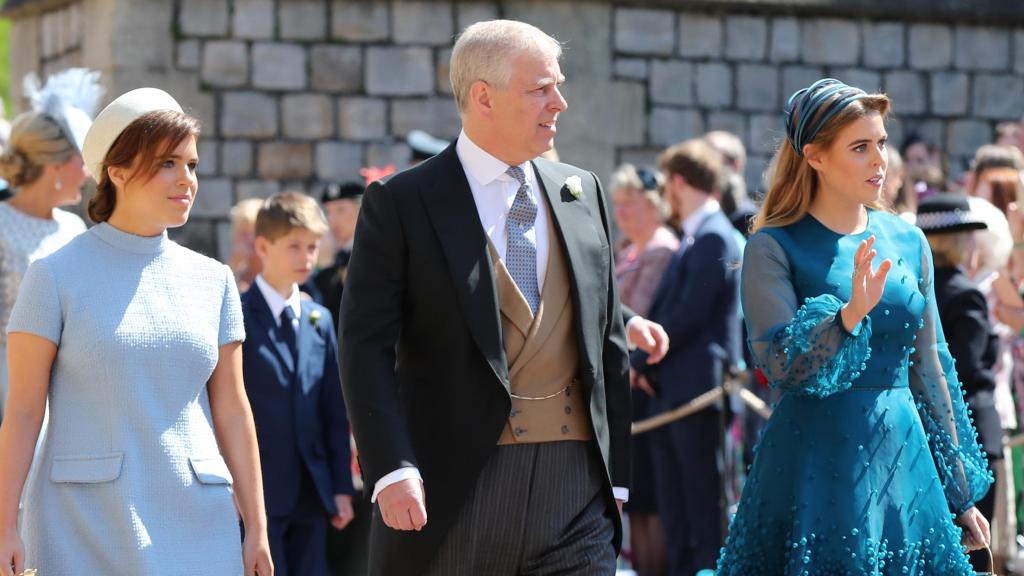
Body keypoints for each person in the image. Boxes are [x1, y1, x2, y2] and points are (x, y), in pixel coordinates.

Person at [340, 19, 632, 576]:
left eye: (558, 84)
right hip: (456, 486)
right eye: (540, 88)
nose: (560, 103)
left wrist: (616, 480)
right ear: (483, 97)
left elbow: (606, 340)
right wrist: (391, 467)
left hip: (577, 487)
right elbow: (363, 345)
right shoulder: (401, 202)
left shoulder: (581, 191)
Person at [716, 79, 992, 574]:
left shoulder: (909, 240)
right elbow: (782, 365)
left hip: (907, 465)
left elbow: (931, 368)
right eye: (860, 147)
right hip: (815, 464)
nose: (879, 160)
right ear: (815, 156)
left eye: (882, 143)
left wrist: (960, 493)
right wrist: (847, 316)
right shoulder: (772, 246)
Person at [0, 88, 272, 576]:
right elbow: (22, 412)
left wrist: (257, 527)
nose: (186, 180)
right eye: (167, 163)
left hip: (199, 520)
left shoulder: (214, 281)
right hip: (82, 523)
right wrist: (4, 527)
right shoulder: (54, 276)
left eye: (191, 164)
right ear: (116, 170)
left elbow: (233, 407)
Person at [631, 139, 740, 575]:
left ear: (678, 182)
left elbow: (688, 316)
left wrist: (638, 362)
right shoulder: (697, 235)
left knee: (701, 509)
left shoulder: (713, 235)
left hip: (698, 391)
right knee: (676, 507)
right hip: (674, 390)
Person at [241, 191, 355, 576]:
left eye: (312, 246)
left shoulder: (319, 319)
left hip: (312, 491)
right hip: (257, 496)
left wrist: (340, 487)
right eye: (293, 247)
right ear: (262, 246)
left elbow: (333, 410)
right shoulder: (237, 317)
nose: (306, 257)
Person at [0, 68, 100, 421]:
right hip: (9, 386)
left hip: (68, 391)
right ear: (57, 165)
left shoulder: (74, 228)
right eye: (81, 160)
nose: (88, 172)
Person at [917, 193, 1003, 573]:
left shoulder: (918, 291)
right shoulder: (965, 294)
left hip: (924, 430)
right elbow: (966, 370)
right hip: (971, 435)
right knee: (974, 553)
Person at [610, 163, 676, 576]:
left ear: (652, 205)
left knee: (650, 498)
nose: (621, 213)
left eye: (629, 204)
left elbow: (642, 311)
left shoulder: (660, 250)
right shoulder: (627, 250)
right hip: (626, 384)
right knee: (635, 500)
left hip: (647, 384)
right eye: (617, 205)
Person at [313, 181, 363, 324]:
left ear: (361, 210)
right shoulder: (332, 251)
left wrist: (327, 268)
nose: (332, 219)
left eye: (341, 210)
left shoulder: (371, 252)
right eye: (328, 211)